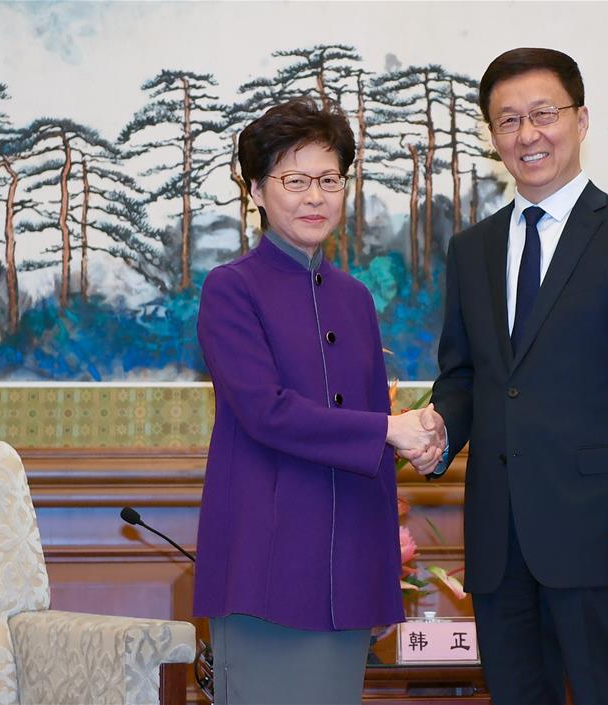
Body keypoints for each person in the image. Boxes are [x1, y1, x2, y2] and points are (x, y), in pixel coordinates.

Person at [405, 48, 608, 704]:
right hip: (500, 543)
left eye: (543, 114)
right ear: (493, 136)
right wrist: (439, 426)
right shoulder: (471, 249)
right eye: (508, 120)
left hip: (601, 541)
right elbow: (466, 375)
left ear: (580, 119)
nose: (528, 134)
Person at [193, 97, 443, 705]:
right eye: (294, 180)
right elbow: (265, 411)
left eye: (329, 180)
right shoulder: (231, 290)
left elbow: (368, 441)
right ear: (255, 190)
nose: (314, 197)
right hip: (265, 566)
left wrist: (424, 444)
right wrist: (391, 430)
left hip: (349, 571)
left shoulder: (355, 298)